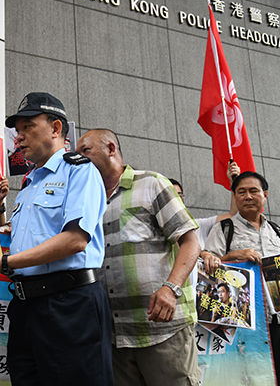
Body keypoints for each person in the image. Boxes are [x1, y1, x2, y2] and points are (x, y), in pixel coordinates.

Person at [0, 92, 113, 385]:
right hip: (25, 307)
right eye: (16, 130)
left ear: (56, 128)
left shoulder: (79, 171)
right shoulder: (30, 183)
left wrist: (4, 262)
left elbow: (75, 240)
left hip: (69, 305)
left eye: (27, 127)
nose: (18, 137)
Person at [76, 129, 201, 386]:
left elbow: (191, 242)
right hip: (115, 333)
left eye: (85, 150)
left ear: (111, 149)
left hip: (163, 329)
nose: (79, 158)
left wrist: (171, 288)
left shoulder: (152, 183)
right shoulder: (87, 200)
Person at [202, 171, 280, 386]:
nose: (248, 197)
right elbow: (207, 268)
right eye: (241, 192)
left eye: (254, 191)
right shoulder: (224, 229)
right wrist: (233, 256)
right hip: (243, 324)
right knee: (248, 380)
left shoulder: (278, 231)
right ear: (235, 196)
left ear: (265, 195)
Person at [168, 160, 240, 249]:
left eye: (179, 195)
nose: (177, 200)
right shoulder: (156, 234)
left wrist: (235, 183)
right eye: (172, 196)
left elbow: (233, 215)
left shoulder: (199, 226)